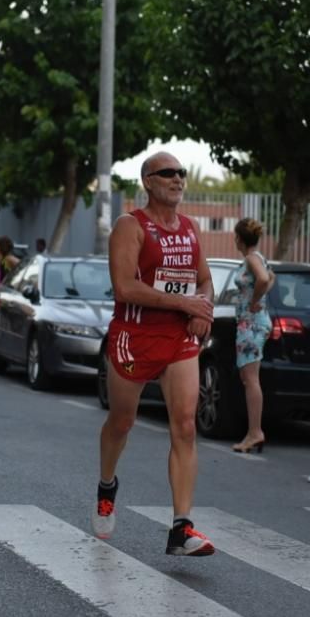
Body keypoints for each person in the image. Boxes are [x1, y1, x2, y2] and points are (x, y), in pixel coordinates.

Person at [94, 151, 216, 557]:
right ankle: (107, 484)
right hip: (136, 334)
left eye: (181, 173)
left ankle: (182, 528)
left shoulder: (190, 228)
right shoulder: (130, 226)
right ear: (148, 181)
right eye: (168, 173)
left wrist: (203, 310)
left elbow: (204, 282)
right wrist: (185, 305)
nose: (178, 179)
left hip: (179, 338)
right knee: (122, 421)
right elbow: (125, 288)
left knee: (184, 425)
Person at [230, 217, 274, 453]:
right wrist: (258, 299)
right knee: (250, 379)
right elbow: (272, 278)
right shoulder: (259, 258)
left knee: (250, 380)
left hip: (251, 325)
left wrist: (254, 301)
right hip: (254, 323)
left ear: (239, 238)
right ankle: (253, 432)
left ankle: (254, 432)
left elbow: (265, 279)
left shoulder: (250, 259)